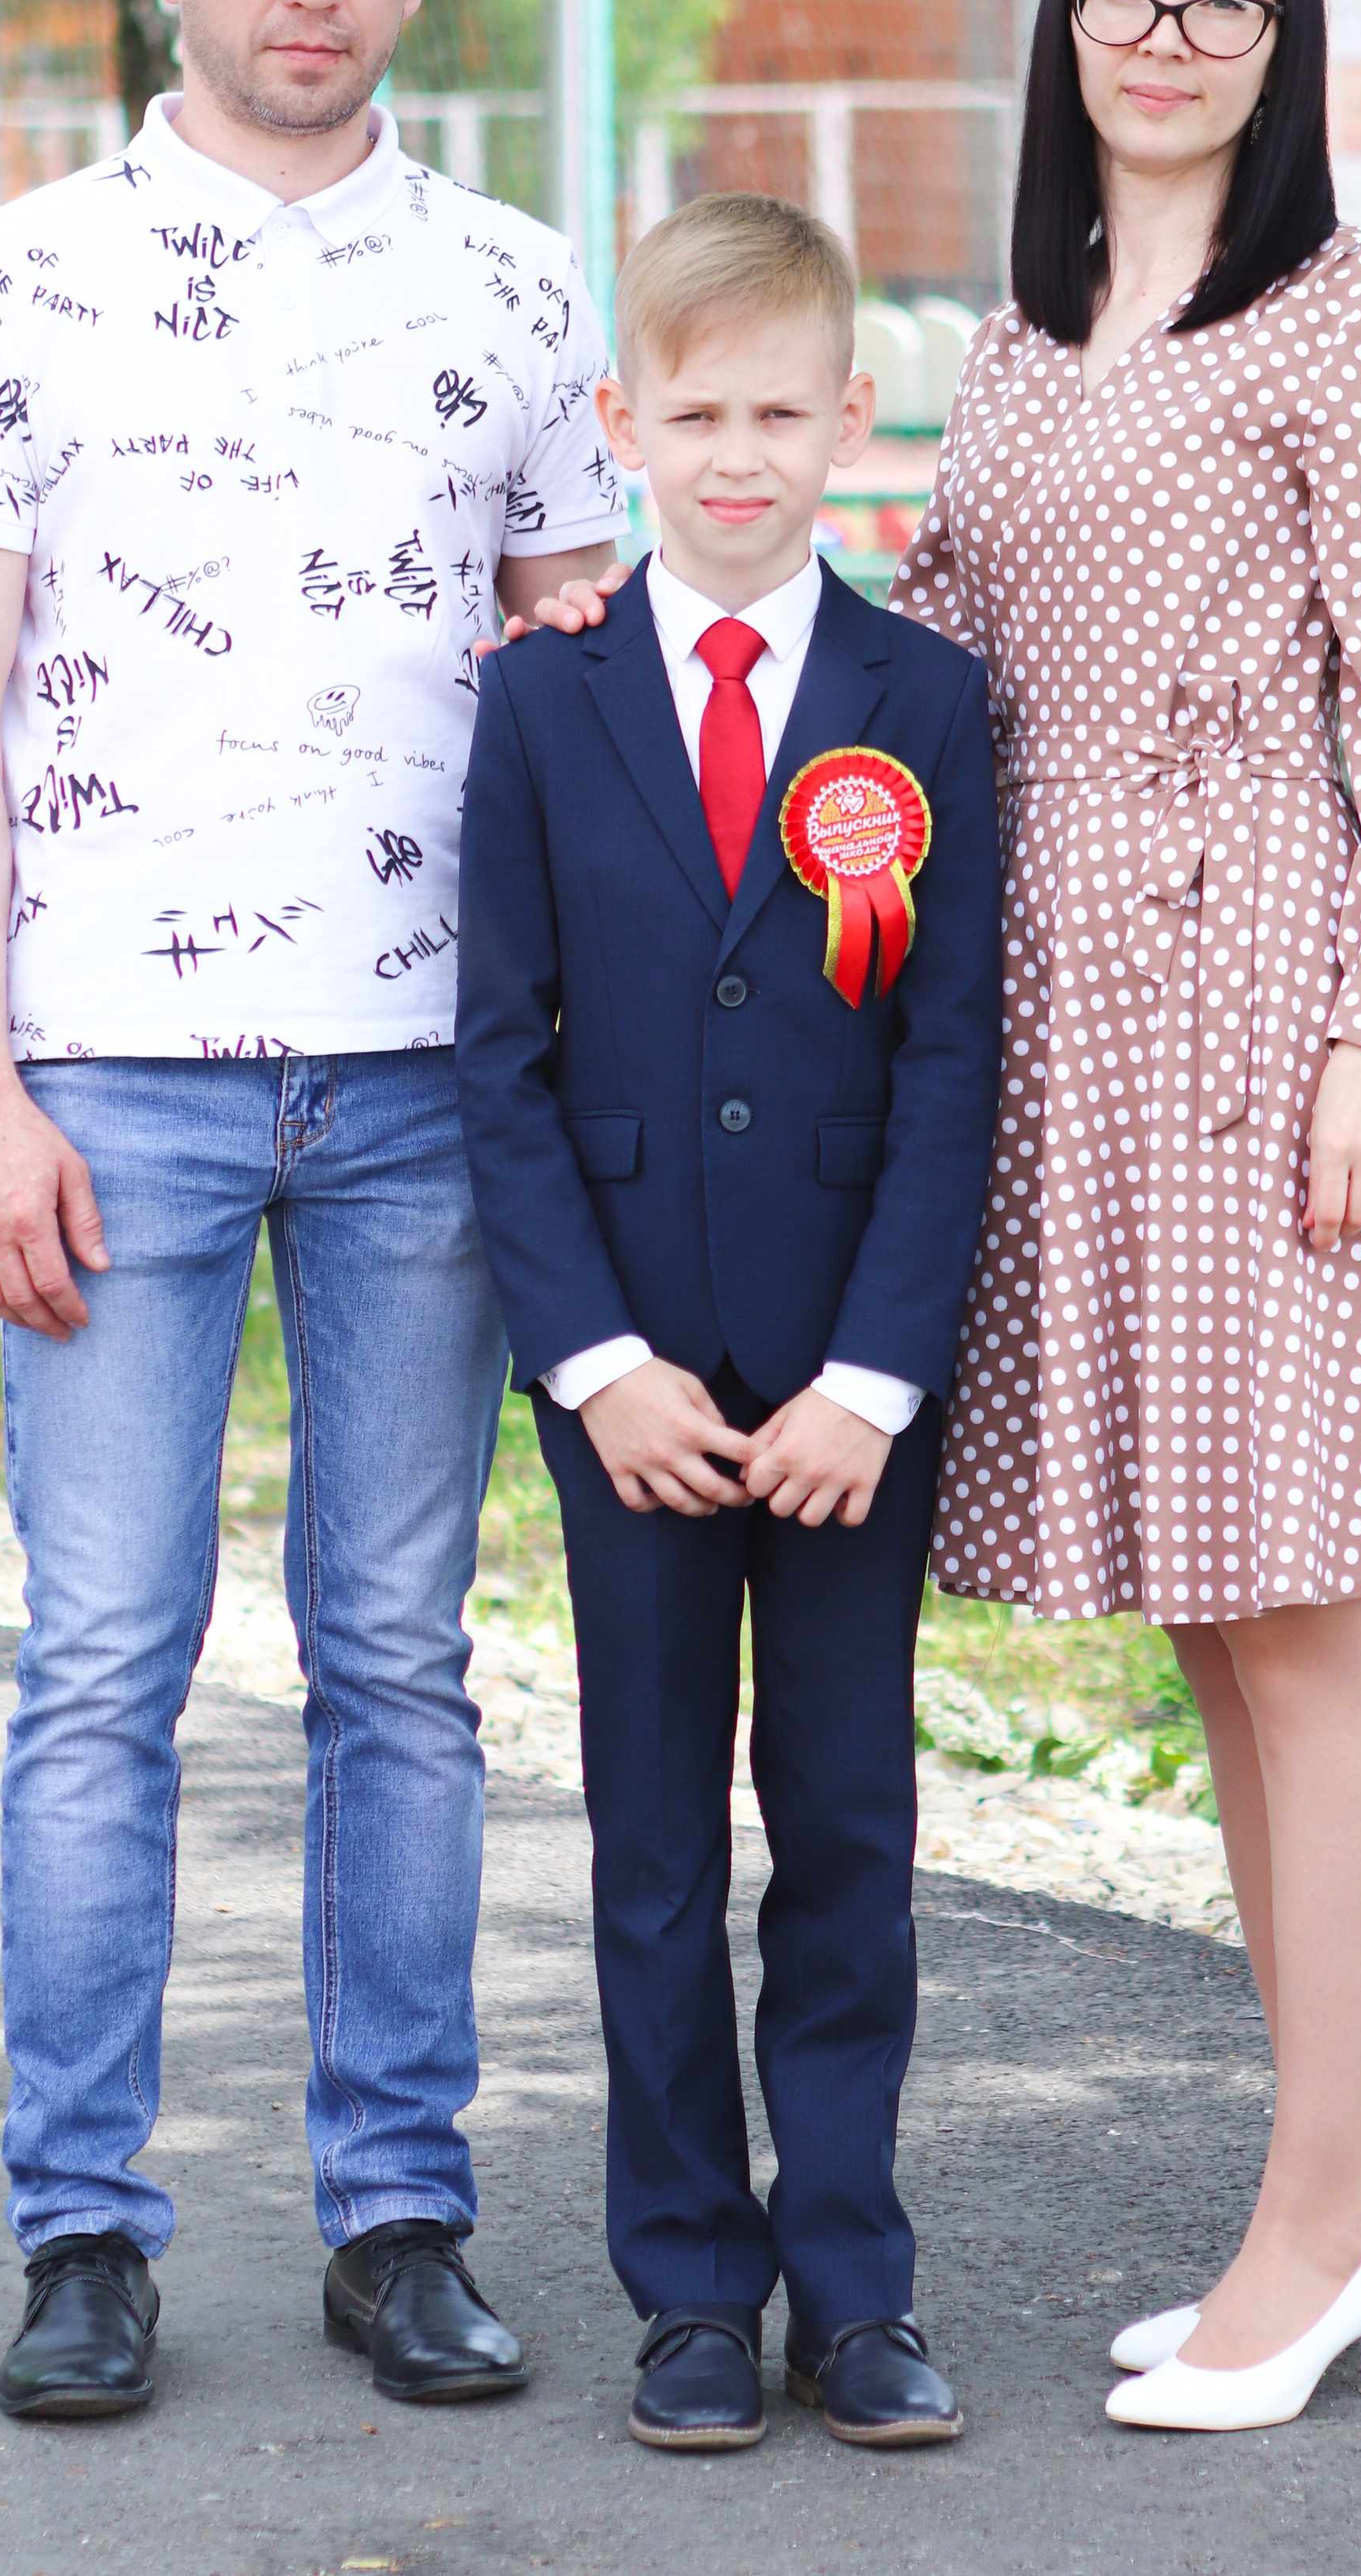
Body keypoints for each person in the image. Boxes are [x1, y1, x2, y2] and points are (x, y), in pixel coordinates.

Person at [0, 0, 625, 2421]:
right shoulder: (18, 281)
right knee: (100, 1670)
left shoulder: (525, 299)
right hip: (122, 1094)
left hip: (434, 1091)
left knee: (398, 1666)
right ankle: (83, 2233)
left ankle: (398, 2213)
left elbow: (598, 736)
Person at [890, 0, 1361, 2432]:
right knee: (1212, 1620)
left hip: (1278, 1013)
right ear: (1066, 32)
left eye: (1226, 3)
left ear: (1285, 54)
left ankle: (1318, 2220)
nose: (1168, 39)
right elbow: (944, 643)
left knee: (1315, 1617)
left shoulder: (1354, 318)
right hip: (1071, 1032)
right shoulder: (1020, 342)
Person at [454, 194, 1002, 2454]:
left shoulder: (933, 705)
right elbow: (497, 1055)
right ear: (623, 425)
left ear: (853, 420)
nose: (741, 453)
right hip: (644, 1400)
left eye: (784, 410)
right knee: (658, 1842)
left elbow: (959, 1054)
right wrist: (595, 1366)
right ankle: (690, 2280)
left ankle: (852, 2281)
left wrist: (881, 1374)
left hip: (847, 1401)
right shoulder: (543, 701)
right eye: (697, 413)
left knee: (850, 1827)